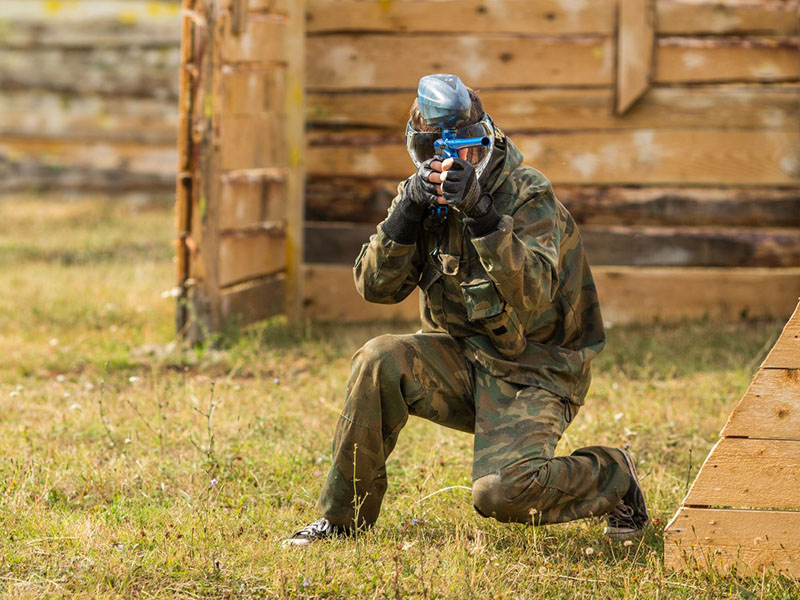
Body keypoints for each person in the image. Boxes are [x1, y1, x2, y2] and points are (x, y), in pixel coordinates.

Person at [284, 74, 648, 546]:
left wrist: (482, 215)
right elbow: (375, 287)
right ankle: (342, 519)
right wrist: (407, 214)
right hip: (461, 359)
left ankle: (615, 475)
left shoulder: (527, 193)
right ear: (420, 151)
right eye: (441, 154)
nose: (456, 165)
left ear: (488, 138)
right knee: (378, 359)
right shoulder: (420, 194)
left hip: (535, 369)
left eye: (470, 150)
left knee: (502, 493)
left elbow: (535, 292)